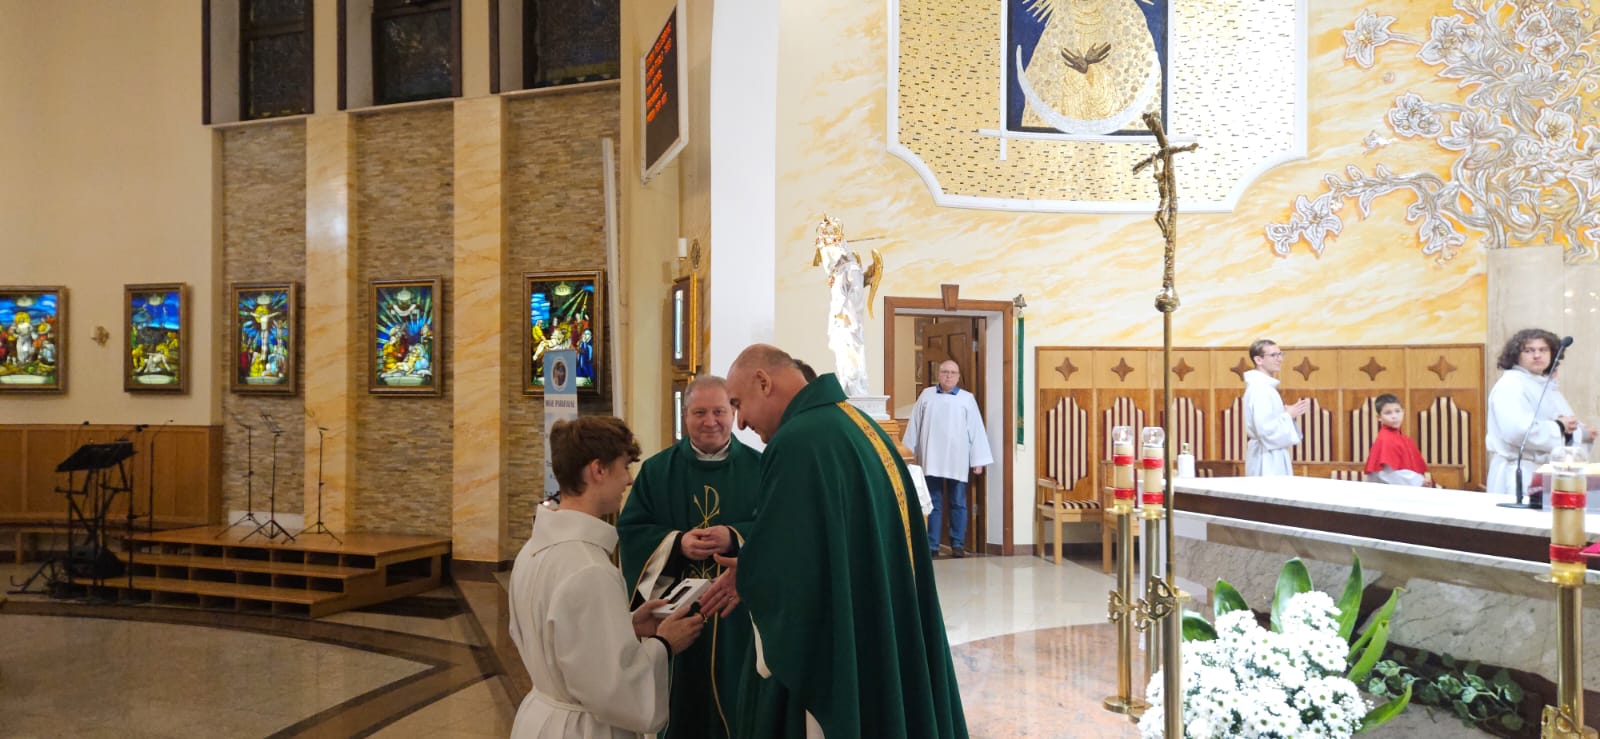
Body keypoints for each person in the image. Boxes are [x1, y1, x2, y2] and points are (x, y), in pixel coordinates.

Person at [716, 343, 967, 739]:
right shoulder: (858, 425)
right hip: (878, 621)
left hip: (841, 643)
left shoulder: (798, 441)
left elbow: (791, 569)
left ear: (763, 382)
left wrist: (751, 573)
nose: (740, 422)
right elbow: (820, 542)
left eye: (737, 404)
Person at [508, 416, 705, 739]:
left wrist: (625, 626)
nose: (628, 480)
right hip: (583, 729)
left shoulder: (532, 549)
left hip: (539, 718)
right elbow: (615, 691)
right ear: (598, 470)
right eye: (624, 466)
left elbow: (556, 637)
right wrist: (664, 644)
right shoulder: (590, 569)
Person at [618, 376, 761, 739]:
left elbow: (783, 527)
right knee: (682, 707)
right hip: (676, 611)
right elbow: (631, 532)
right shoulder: (657, 470)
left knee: (739, 703)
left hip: (738, 615)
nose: (710, 421)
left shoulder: (762, 468)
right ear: (685, 416)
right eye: (699, 412)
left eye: (719, 411)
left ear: (733, 412)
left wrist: (735, 536)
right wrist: (676, 543)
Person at [1486, 329, 1595, 496]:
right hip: (1519, 472)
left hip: (1547, 471)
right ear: (1516, 355)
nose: (1537, 355)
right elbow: (1517, 432)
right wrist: (1560, 427)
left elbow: (1563, 421)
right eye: (1529, 350)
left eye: (1543, 350)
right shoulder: (1511, 385)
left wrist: (1579, 431)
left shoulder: (1543, 384)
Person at [903, 360, 993, 558]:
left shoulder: (967, 399)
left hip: (957, 459)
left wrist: (978, 460)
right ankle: (932, 545)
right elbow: (914, 424)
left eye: (953, 373)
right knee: (932, 502)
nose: (949, 376)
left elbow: (976, 430)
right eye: (945, 372)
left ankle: (958, 544)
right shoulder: (926, 395)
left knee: (958, 502)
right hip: (931, 457)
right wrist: (908, 453)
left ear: (958, 377)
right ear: (939, 374)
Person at [1242, 339, 1310, 476]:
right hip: (1266, 458)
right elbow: (1265, 430)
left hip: (1271, 454)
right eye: (1273, 355)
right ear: (1258, 360)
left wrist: (1285, 413)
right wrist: (1288, 415)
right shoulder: (1260, 389)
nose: (1279, 359)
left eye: (1280, 354)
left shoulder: (1266, 387)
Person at [1364, 394, 1431, 487]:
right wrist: (1419, 481)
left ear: (1403, 412)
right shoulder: (1385, 439)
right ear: (1379, 417)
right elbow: (1388, 473)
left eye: (1397, 411)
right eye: (1388, 413)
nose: (1394, 416)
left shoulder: (1403, 438)